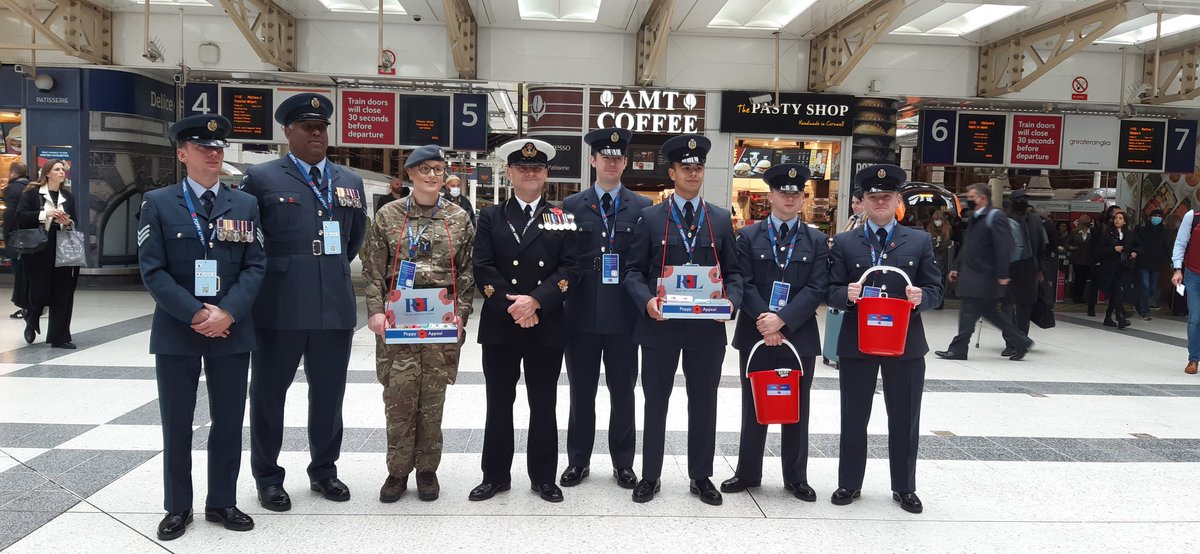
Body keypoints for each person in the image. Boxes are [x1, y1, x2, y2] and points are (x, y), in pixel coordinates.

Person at [138, 114, 266, 541]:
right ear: (182, 154)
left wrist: (226, 313)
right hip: (178, 331)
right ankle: (177, 507)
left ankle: (222, 502)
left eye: (218, 147)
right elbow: (153, 271)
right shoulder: (158, 202)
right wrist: (195, 314)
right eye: (202, 147)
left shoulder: (244, 204)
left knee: (228, 420)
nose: (213, 153)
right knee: (176, 422)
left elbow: (255, 266)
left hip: (231, 330)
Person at [241, 93, 368, 511]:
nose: (317, 133)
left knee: (329, 394)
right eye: (307, 127)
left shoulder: (348, 181)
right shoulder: (261, 178)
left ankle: (325, 471)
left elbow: (353, 240)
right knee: (268, 393)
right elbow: (251, 243)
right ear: (287, 132)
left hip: (333, 302)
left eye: (322, 127)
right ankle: (267, 476)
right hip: (280, 304)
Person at [623, 134, 744, 506]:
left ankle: (701, 475)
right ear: (672, 172)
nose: (693, 173)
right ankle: (651, 475)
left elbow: (736, 275)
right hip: (660, 325)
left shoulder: (721, 219)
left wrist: (730, 303)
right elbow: (632, 271)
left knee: (704, 401)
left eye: (698, 168)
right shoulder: (650, 217)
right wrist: (646, 303)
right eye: (686, 168)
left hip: (706, 328)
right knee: (655, 401)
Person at [361, 145, 475, 503]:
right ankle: (396, 473)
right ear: (409, 174)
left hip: (439, 328)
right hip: (398, 326)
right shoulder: (388, 216)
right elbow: (373, 268)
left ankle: (427, 471)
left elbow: (468, 271)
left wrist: (462, 313)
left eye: (439, 169)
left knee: (432, 402)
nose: (432, 175)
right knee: (398, 400)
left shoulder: (458, 218)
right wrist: (375, 311)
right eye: (424, 169)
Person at [827, 164, 942, 514]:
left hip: (904, 345)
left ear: (897, 200)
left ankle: (904, 487)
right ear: (862, 201)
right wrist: (845, 294)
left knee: (905, 417)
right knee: (853, 415)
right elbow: (828, 291)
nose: (879, 202)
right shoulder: (845, 242)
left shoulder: (919, 240)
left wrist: (923, 297)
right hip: (858, 343)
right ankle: (849, 482)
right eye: (873, 197)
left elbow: (938, 289)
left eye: (886, 196)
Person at [470, 138, 577, 503]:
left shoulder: (562, 218)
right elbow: (482, 267)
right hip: (502, 324)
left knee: (543, 403)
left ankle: (543, 477)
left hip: (545, 323)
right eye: (522, 168)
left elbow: (569, 270)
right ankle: (495, 475)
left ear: (545, 174)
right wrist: (512, 306)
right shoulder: (490, 216)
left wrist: (536, 302)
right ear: (510, 173)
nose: (529, 173)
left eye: (536, 168)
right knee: (499, 401)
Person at [721, 163, 827, 501]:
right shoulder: (747, 236)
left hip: (798, 334)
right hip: (756, 332)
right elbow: (742, 280)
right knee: (754, 404)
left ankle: (795, 477)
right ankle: (748, 472)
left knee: (796, 405)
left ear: (803, 198)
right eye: (783, 192)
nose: (790, 197)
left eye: (796, 193)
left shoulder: (817, 239)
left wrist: (781, 320)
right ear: (771, 196)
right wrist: (765, 320)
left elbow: (817, 287)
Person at [559, 128, 649, 490]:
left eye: (618, 157)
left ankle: (623, 463)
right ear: (593, 160)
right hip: (580, 314)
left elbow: (644, 263)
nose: (611, 162)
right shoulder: (570, 207)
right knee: (581, 392)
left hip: (624, 316)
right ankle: (578, 461)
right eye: (605, 156)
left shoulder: (643, 208)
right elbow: (561, 260)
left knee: (624, 392)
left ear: (625, 163)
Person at [935, 183, 1033, 361]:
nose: (969, 200)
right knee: (991, 313)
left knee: (968, 312)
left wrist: (1003, 274)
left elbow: (1003, 248)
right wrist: (957, 267)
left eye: (972, 197)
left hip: (984, 276)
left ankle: (958, 349)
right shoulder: (976, 217)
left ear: (982, 198)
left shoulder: (995, 217)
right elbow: (968, 246)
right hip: (974, 275)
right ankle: (1020, 341)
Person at [16, 159, 79, 348]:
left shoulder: (67, 196)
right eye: (57, 169)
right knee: (39, 291)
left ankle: (59, 337)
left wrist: (67, 222)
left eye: (63, 170)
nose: (62, 172)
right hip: (38, 249)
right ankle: (31, 316)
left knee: (63, 291)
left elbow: (74, 220)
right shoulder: (32, 194)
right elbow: (20, 216)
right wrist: (46, 215)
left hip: (62, 246)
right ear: (47, 173)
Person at [1000, 190, 1047, 353]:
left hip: (1029, 267)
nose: (1022, 202)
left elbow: (1042, 246)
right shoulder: (1003, 220)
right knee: (1007, 307)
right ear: (1011, 201)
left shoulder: (1034, 221)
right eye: (1019, 199)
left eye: (1024, 199)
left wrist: (1040, 270)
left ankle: (1020, 340)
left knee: (1024, 307)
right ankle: (1009, 342)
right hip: (1008, 267)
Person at [1093, 211, 1141, 329]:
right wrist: (1113, 248)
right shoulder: (1107, 233)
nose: (1117, 220)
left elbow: (1141, 246)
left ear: (1125, 221)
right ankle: (1120, 315)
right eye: (1115, 218)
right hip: (1109, 267)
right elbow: (1099, 250)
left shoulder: (1129, 234)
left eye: (1120, 218)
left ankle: (1109, 317)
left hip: (1122, 267)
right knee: (1116, 290)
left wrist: (1135, 252)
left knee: (1116, 292)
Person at [1170, 207, 1200, 374]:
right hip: (1194, 274)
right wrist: (1177, 269)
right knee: (1195, 318)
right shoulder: (1193, 216)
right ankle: (1194, 359)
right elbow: (1180, 243)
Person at [4, 162, 30, 319]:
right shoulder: (32, 187)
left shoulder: (12, 188)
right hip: (31, 238)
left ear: (13, 173)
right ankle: (35, 304)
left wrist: (6, 236)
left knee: (19, 274)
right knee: (29, 272)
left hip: (17, 237)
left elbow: (10, 215)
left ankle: (24, 306)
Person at [1135, 209, 1170, 320]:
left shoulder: (1164, 232)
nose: (1157, 218)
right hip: (1143, 262)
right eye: (1155, 215)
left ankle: (1140, 303)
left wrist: (1169, 260)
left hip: (1157, 264)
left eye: (1159, 216)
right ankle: (1144, 311)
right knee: (1145, 286)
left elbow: (1167, 247)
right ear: (1150, 217)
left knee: (1153, 288)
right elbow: (1137, 243)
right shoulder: (1142, 230)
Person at [925, 209, 952, 309]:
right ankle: (932, 302)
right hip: (932, 257)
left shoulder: (947, 229)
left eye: (939, 219)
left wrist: (939, 243)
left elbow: (946, 244)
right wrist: (935, 243)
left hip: (942, 258)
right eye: (935, 219)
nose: (937, 221)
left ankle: (940, 303)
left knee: (941, 280)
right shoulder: (929, 228)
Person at [1068, 215, 1093, 304]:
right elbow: (1067, 243)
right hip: (1077, 258)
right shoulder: (1075, 232)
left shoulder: (1092, 233)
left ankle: (1081, 296)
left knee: (1084, 278)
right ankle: (1076, 296)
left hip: (1088, 259)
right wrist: (1071, 247)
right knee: (1079, 277)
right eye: (1085, 220)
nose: (1087, 221)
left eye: (1088, 220)